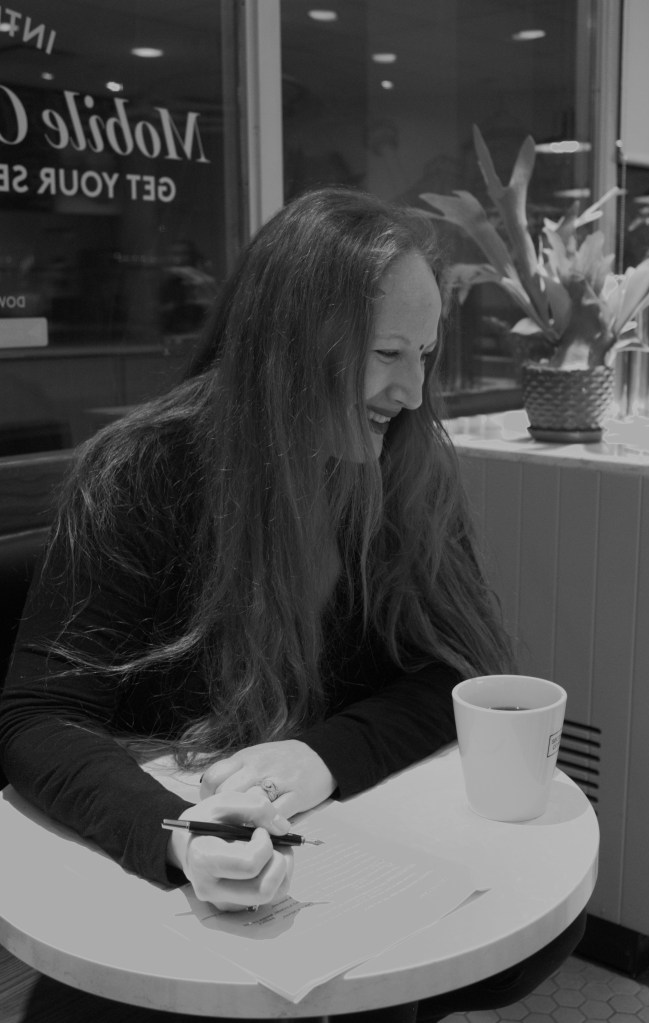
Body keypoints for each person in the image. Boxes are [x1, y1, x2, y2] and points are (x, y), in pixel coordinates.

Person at [1, 186, 565, 1021]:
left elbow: (459, 668)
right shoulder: (143, 471)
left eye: (425, 354)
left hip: (349, 874)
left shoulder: (404, 466)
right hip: (170, 914)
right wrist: (176, 833)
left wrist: (322, 754)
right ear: (293, 342)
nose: (413, 392)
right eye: (387, 353)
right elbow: (39, 717)